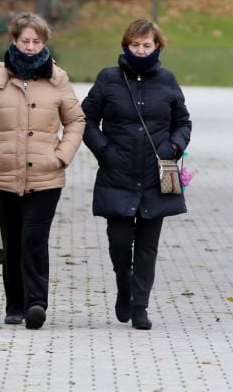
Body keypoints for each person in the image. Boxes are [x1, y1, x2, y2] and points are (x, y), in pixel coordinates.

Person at [0, 12, 85, 330]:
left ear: (44, 43)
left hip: (46, 176)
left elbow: (76, 121)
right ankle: (14, 305)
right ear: (14, 40)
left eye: (36, 41)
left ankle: (36, 304)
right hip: (3, 175)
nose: (30, 46)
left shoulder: (58, 80)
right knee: (12, 241)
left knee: (34, 239)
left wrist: (61, 156)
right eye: (25, 40)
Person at [81, 18, 192, 331]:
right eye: (135, 45)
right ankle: (124, 287)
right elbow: (85, 119)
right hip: (118, 172)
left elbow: (183, 122)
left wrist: (174, 144)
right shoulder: (108, 79)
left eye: (147, 45)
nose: (141, 51)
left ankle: (140, 305)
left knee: (147, 247)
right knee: (119, 242)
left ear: (157, 46)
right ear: (125, 45)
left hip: (155, 173)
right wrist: (104, 150)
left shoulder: (168, 80)